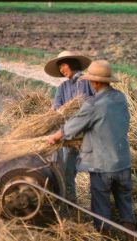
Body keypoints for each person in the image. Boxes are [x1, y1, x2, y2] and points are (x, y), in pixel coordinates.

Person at [47, 60, 136, 237]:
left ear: (94, 82)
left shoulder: (93, 104)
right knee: (125, 203)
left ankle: (104, 235)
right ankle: (130, 233)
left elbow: (72, 126)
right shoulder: (120, 97)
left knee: (101, 206)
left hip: (103, 166)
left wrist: (55, 136)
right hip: (124, 162)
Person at [44, 50, 95, 203]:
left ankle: (98, 206)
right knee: (67, 172)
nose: (61, 70)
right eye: (59, 67)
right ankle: (71, 204)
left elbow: (97, 101)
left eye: (63, 65)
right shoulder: (62, 88)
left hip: (89, 134)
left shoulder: (88, 81)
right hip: (69, 136)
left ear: (72, 64)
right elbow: (57, 109)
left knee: (96, 173)